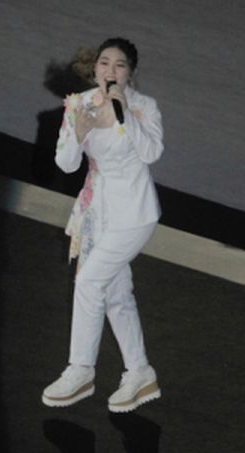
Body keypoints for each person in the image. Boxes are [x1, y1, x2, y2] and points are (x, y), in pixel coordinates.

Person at [43, 37, 164, 413]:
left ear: (131, 73)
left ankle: (80, 369)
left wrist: (124, 113)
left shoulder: (144, 107)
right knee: (115, 294)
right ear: (95, 68)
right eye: (105, 63)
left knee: (91, 282)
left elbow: (151, 153)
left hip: (134, 214)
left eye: (120, 65)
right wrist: (79, 131)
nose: (111, 71)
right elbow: (65, 163)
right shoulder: (79, 104)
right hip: (97, 213)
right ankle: (140, 372)